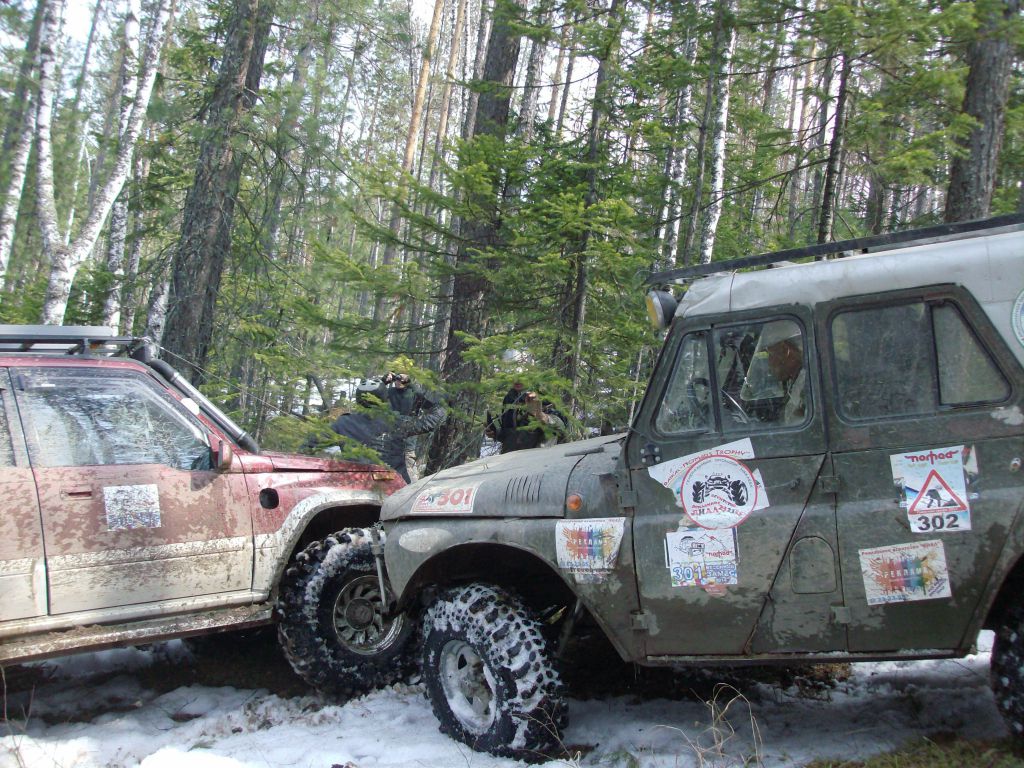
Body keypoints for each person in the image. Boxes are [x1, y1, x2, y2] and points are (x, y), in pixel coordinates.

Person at [381, 370, 446, 481]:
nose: (398, 381)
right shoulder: (389, 392)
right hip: (389, 435)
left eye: (401, 379)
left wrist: (410, 384)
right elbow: (370, 396)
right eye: (396, 379)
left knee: (408, 461)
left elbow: (433, 404)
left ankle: (413, 484)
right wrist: (384, 381)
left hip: (409, 433)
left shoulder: (414, 392)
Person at [485, 381, 566, 453]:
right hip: (510, 459)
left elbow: (559, 425)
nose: (517, 380)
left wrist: (539, 414)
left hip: (538, 459)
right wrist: (496, 433)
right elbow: (511, 435)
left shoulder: (543, 398)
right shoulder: (509, 399)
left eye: (521, 377)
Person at [764, 332, 806, 425]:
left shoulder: (809, 383)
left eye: (771, 355)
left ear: (785, 350)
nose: (769, 363)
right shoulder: (795, 379)